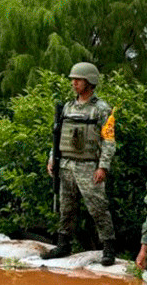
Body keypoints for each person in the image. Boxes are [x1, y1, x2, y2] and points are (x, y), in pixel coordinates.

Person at [41, 62, 117, 266]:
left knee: (98, 207)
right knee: (66, 207)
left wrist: (103, 166)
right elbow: (58, 135)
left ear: (90, 82)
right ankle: (63, 244)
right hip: (66, 164)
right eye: (73, 79)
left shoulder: (101, 109)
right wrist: (52, 158)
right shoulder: (67, 107)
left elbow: (108, 140)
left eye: (78, 79)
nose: (74, 83)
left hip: (88, 166)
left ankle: (109, 248)